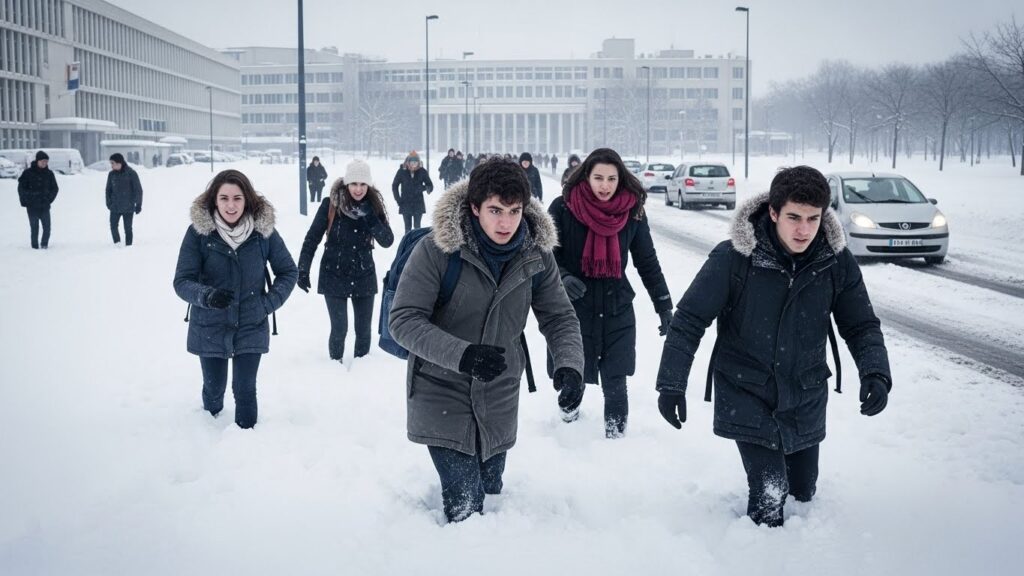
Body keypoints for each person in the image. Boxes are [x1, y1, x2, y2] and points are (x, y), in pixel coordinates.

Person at [655, 165, 892, 527]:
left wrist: (875, 372)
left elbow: (860, 325)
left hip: (805, 391)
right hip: (745, 390)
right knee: (771, 491)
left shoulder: (834, 261)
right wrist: (672, 384)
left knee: (803, 491)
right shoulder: (734, 258)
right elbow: (688, 321)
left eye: (813, 218)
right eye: (794, 217)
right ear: (773, 212)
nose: (804, 229)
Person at [389, 157, 584, 523]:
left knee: (492, 489)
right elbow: (403, 320)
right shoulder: (437, 251)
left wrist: (570, 365)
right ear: (474, 206)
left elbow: (559, 317)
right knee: (468, 504)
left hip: (499, 392)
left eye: (514, 211)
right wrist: (463, 356)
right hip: (440, 389)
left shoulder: (536, 254)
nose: (506, 222)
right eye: (495, 210)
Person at [548, 147, 673, 438]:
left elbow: (647, 262)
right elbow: (544, 256)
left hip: (617, 307)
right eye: (598, 178)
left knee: (616, 382)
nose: (605, 185)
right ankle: (566, 433)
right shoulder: (563, 208)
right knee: (571, 383)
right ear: (586, 177)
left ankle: (616, 444)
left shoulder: (632, 212)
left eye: (612, 178)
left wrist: (664, 306)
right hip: (573, 311)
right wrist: (563, 278)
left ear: (621, 179)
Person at [173, 169, 298, 429]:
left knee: (245, 389)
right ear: (214, 201)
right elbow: (182, 281)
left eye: (237, 198)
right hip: (209, 324)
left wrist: (266, 304)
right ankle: (208, 435)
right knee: (214, 390)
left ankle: (248, 444)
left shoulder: (263, 233)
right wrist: (207, 296)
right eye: (224, 198)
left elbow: (288, 272)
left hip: (251, 323)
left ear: (247, 199)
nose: (231, 205)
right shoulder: (198, 234)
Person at [297, 159, 394, 363]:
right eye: (354, 184)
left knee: (363, 331)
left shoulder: (373, 206)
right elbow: (312, 238)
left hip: (364, 274)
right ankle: (335, 370)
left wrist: (370, 217)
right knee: (339, 329)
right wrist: (303, 269)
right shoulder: (330, 205)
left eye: (363, 184)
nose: (358, 189)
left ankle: (362, 371)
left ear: (368, 185)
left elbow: (387, 240)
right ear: (346, 184)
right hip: (334, 273)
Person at [17, 151, 59, 249]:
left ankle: (44, 244)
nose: (45, 163)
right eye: (43, 161)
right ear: (37, 161)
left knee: (47, 228)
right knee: (34, 228)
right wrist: (26, 200)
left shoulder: (49, 174)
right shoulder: (27, 173)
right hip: (32, 206)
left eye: (46, 161)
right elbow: (21, 189)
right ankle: (34, 246)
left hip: (44, 205)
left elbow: (55, 188)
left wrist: (49, 199)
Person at [105, 153, 143, 246]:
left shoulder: (131, 173)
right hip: (115, 207)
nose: (111, 165)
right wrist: (109, 203)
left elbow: (138, 189)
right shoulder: (111, 174)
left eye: (113, 163)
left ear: (119, 163)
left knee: (128, 228)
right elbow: (108, 190)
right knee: (113, 226)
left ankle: (128, 246)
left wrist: (138, 204)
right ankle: (117, 243)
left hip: (128, 207)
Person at [391, 152, 434, 234]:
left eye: (416, 162)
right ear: (408, 162)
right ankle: (408, 244)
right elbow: (394, 186)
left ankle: (416, 244)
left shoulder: (422, 171)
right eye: (412, 162)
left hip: (418, 203)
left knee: (417, 227)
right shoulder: (401, 172)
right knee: (408, 228)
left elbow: (430, 185)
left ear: (418, 163)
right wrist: (398, 199)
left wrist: (424, 188)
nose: (414, 164)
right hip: (405, 203)